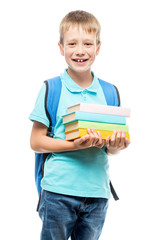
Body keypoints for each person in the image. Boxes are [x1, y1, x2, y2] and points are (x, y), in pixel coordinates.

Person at [29, 10, 130, 240]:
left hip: (97, 193)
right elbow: (36, 141)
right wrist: (76, 145)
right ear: (61, 47)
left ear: (98, 47)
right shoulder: (51, 88)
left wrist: (118, 145)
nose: (80, 51)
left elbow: (111, 149)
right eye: (72, 43)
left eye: (87, 43)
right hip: (58, 192)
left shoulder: (110, 92)